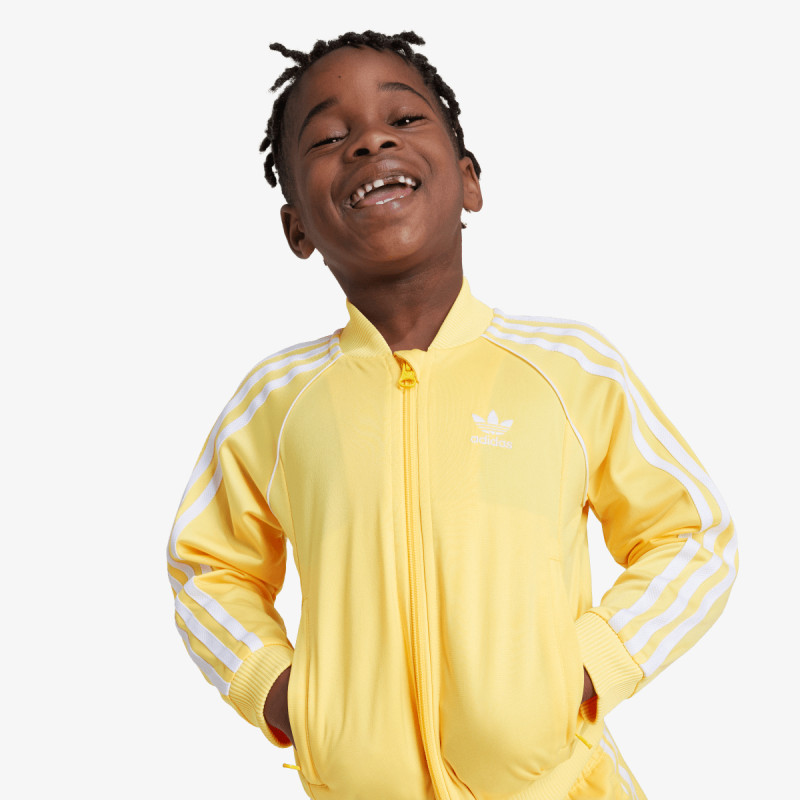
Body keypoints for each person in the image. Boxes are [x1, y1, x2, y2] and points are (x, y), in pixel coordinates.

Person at [167, 30, 737, 800]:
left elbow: (693, 535)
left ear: (468, 181)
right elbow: (207, 567)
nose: (370, 141)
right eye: (330, 138)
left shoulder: (569, 369)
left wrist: (586, 667)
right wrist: (278, 688)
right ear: (297, 226)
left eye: (404, 120)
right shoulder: (275, 402)